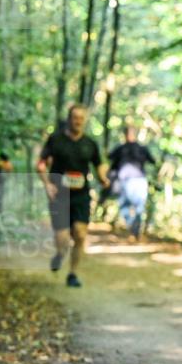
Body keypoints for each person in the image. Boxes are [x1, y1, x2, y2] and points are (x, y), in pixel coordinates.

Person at [37, 104, 110, 287]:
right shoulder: (56, 140)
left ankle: (73, 274)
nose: (78, 121)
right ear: (69, 119)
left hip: (81, 196)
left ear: (85, 121)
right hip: (59, 195)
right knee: (62, 239)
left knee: (80, 234)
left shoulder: (90, 144)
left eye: (81, 118)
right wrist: (47, 184)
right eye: (75, 118)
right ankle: (60, 255)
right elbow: (41, 164)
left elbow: (99, 164)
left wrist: (103, 178)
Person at [108, 125, 157, 241]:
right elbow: (111, 160)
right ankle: (134, 230)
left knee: (136, 207)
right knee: (127, 207)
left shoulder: (139, 148)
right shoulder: (122, 149)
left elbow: (153, 161)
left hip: (137, 180)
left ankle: (134, 232)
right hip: (129, 181)